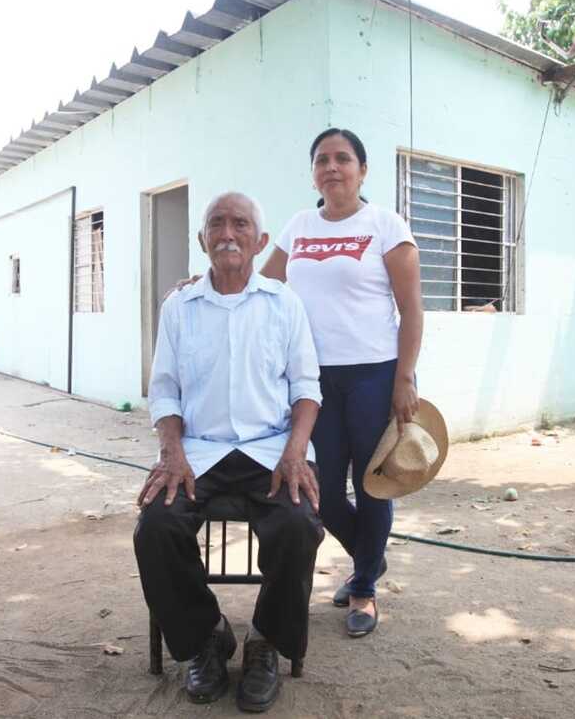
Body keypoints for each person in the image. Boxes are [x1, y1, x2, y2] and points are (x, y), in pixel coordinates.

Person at [134, 192, 324, 712]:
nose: (227, 233)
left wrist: (296, 451)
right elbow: (166, 389)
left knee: (298, 524)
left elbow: (307, 388)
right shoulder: (180, 306)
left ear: (260, 241)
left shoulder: (284, 304)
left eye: (241, 224)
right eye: (216, 224)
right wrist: (170, 451)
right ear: (202, 241)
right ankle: (207, 637)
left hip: (270, 450)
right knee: (156, 527)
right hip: (198, 452)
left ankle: (263, 642)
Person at [260, 128, 423, 637]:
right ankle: (369, 560)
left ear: (362, 170)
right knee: (322, 492)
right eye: (322, 160)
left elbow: (412, 308)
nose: (332, 167)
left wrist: (404, 378)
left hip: (374, 375)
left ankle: (364, 591)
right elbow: (261, 286)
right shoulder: (299, 225)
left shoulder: (385, 224)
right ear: (313, 172)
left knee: (373, 486)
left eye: (342, 158)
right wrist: (201, 281)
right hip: (313, 380)